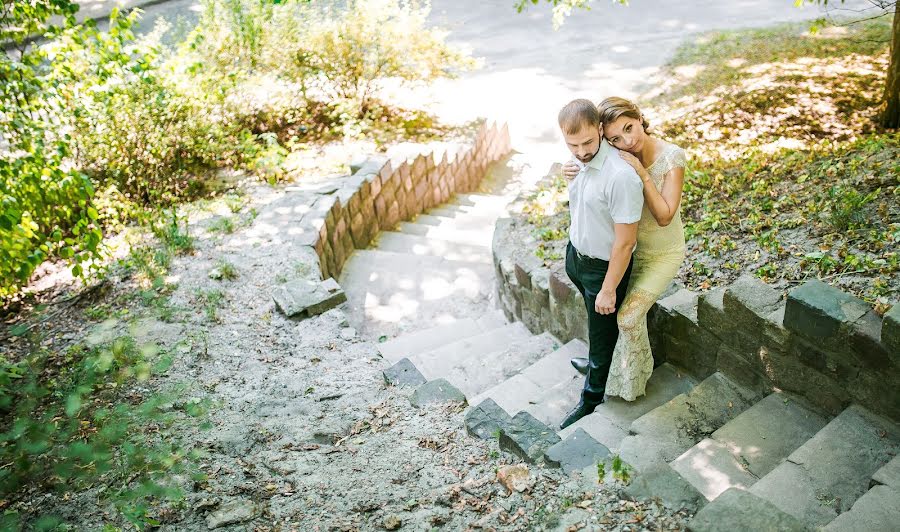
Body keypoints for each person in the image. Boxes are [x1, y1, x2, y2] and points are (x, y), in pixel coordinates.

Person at [565, 97, 687, 401]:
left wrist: (641, 172)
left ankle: (630, 377)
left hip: (661, 253)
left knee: (627, 318)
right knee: (604, 318)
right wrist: (571, 168)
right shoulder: (613, 154)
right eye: (616, 137)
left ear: (640, 117)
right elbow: (591, 165)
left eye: (630, 129)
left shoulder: (671, 157)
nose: (628, 141)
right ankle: (603, 366)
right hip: (628, 251)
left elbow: (664, 216)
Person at [556, 99, 644, 430]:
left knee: (603, 333)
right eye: (572, 145)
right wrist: (566, 171)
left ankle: (592, 398)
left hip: (603, 271)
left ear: (601, 129)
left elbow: (625, 242)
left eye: (588, 143)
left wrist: (608, 289)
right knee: (596, 327)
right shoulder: (578, 161)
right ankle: (596, 365)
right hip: (577, 259)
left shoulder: (620, 176)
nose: (580, 151)